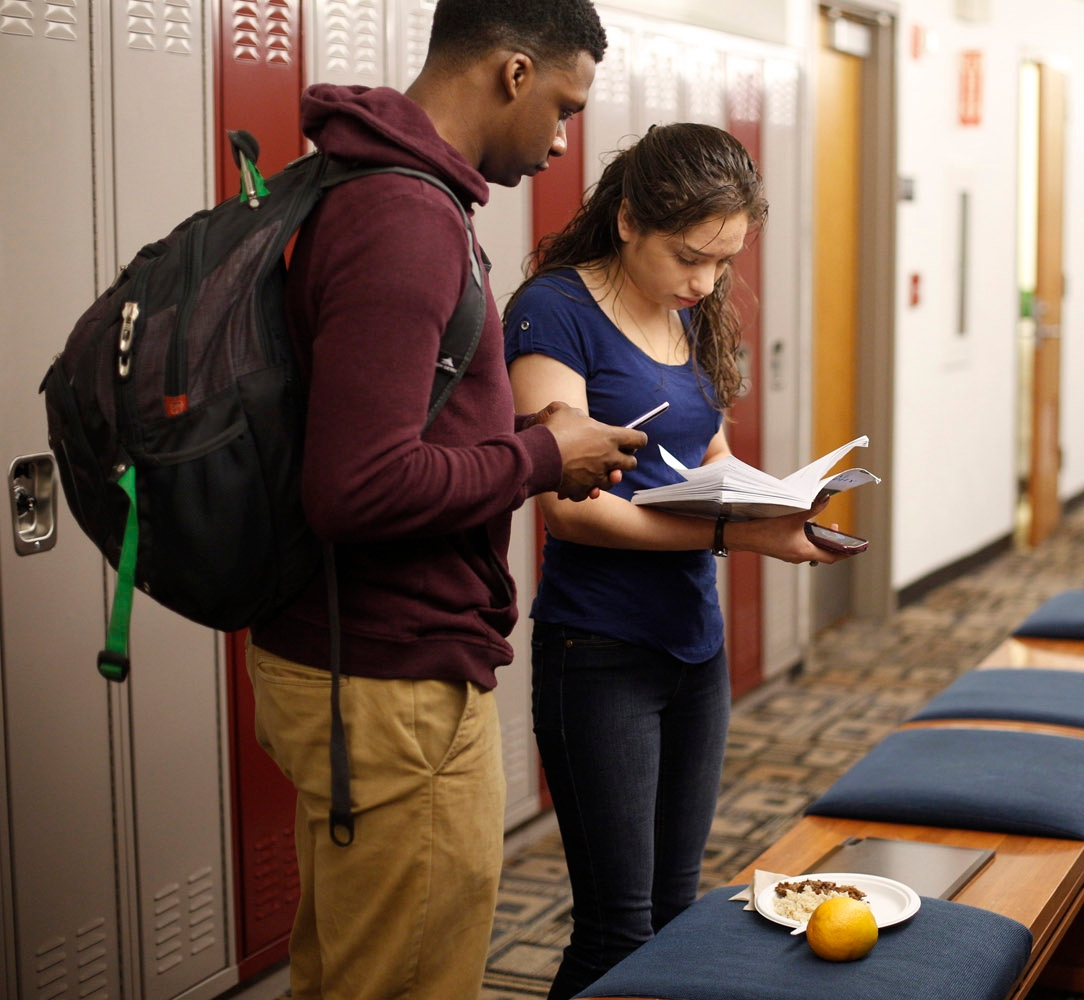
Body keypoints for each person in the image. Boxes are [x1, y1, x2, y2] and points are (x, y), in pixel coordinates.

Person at [245, 3, 647, 998]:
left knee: (350, 970)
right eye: (562, 106)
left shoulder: (385, 190)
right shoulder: (402, 218)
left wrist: (528, 444)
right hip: (391, 677)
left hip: (362, 659)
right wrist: (546, 454)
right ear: (513, 72)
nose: (562, 142)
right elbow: (357, 485)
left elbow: (401, 443)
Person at [504, 122, 848, 999]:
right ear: (628, 223)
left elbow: (706, 454)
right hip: (601, 650)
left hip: (695, 644)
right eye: (692, 257)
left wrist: (776, 502)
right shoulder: (554, 312)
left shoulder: (693, 315)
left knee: (675, 913)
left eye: (725, 262)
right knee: (617, 930)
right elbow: (566, 508)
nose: (706, 282)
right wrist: (738, 535)